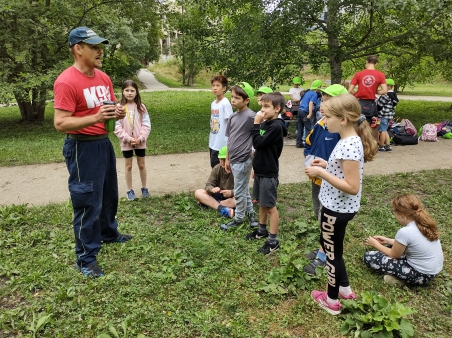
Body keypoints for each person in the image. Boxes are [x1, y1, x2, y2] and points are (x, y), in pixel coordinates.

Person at [53, 26, 131, 278]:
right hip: (81, 147)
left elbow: (110, 108)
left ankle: (108, 233)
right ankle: (85, 258)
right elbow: (60, 123)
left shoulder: (103, 78)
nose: (99, 51)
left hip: (103, 143)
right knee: (87, 201)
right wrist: (95, 117)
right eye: (94, 47)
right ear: (78, 49)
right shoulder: (66, 81)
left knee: (108, 193)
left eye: (100, 46)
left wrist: (117, 112)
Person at [304, 94, 378, 315]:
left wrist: (321, 173)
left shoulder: (348, 145)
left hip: (336, 210)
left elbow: (352, 185)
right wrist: (327, 165)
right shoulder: (350, 141)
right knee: (335, 250)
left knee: (331, 253)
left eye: (326, 117)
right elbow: (343, 170)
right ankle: (344, 290)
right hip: (341, 208)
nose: (324, 121)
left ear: (343, 119)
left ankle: (332, 301)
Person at [302, 84, 348, 275]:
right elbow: (309, 144)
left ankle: (324, 256)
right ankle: (325, 246)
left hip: (332, 182)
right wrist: (309, 159)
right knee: (318, 213)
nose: (322, 104)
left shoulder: (340, 131)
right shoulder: (321, 124)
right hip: (317, 179)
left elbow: (342, 163)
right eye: (323, 99)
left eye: (329, 100)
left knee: (327, 218)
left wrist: (324, 169)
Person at [364, 194, 443, 286]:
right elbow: (413, 244)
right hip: (432, 271)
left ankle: (400, 281)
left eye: (394, 211)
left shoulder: (405, 232)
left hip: (420, 275)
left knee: (370, 257)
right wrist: (387, 241)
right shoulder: (423, 223)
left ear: (401, 214)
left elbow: (394, 255)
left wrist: (375, 244)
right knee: (390, 246)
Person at [245, 92, 288, 254]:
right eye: (261, 106)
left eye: (266, 107)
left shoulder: (276, 126)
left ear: (277, 109)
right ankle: (262, 230)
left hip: (269, 171)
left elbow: (257, 142)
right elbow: (258, 149)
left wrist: (256, 124)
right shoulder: (266, 123)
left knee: (270, 206)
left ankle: (273, 240)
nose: (261, 110)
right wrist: (256, 168)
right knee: (261, 202)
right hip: (261, 169)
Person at [220, 82, 259, 230]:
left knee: (239, 190)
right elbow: (230, 139)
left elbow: (258, 135)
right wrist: (228, 158)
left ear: (247, 100)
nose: (233, 100)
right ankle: (250, 214)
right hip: (234, 158)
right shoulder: (232, 117)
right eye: (232, 97)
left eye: (237, 98)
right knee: (242, 189)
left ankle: (239, 219)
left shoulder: (251, 116)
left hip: (244, 158)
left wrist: (253, 152)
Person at [114, 80, 151, 201]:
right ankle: (130, 190)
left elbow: (146, 124)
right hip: (126, 142)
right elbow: (117, 126)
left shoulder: (141, 107)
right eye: (127, 90)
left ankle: (144, 187)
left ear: (136, 92)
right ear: (123, 92)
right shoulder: (119, 107)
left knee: (141, 165)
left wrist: (141, 138)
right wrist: (128, 139)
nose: (129, 93)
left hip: (140, 142)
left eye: (132, 90)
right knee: (128, 166)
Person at [348, 55, 387, 139]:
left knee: (357, 123)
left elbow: (350, 90)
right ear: (375, 63)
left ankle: (358, 142)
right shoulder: (381, 75)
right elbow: (384, 91)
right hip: (371, 104)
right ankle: (372, 144)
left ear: (367, 62)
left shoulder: (359, 74)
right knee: (373, 125)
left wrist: (357, 93)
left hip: (359, 103)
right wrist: (374, 90)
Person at [195, 146, 235, 218]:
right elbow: (208, 185)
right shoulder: (217, 168)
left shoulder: (236, 170)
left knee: (239, 201)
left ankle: (208, 203)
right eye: (221, 159)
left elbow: (243, 190)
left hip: (230, 197)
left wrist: (231, 192)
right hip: (217, 194)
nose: (222, 162)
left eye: (225, 159)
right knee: (198, 192)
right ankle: (221, 208)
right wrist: (212, 189)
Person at [209, 75, 233, 168]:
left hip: (222, 144)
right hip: (213, 141)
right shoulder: (213, 103)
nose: (215, 88)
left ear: (224, 88)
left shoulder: (225, 103)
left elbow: (231, 123)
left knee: (220, 169)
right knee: (214, 167)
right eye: (213, 85)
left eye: (218, 85)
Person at [296, 80, 322, 148]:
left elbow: (301, 101)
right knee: (308, 128)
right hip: (305, 111)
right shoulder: (314, 94)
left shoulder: (307, 92)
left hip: (300, 110)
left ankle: (298, 143)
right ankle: (308, 143)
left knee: (300, 128)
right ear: (319, 87)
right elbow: (310, 103)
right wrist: (310, 113)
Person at [376, 78, 399, 152]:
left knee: (382, 130)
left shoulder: (385, 95)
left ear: (388, 86)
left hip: (383, 115)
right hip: (389, 115)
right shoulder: (394, 95)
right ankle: (388, 145)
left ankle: (381, 146)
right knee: (385, 130)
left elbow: (379, 105)